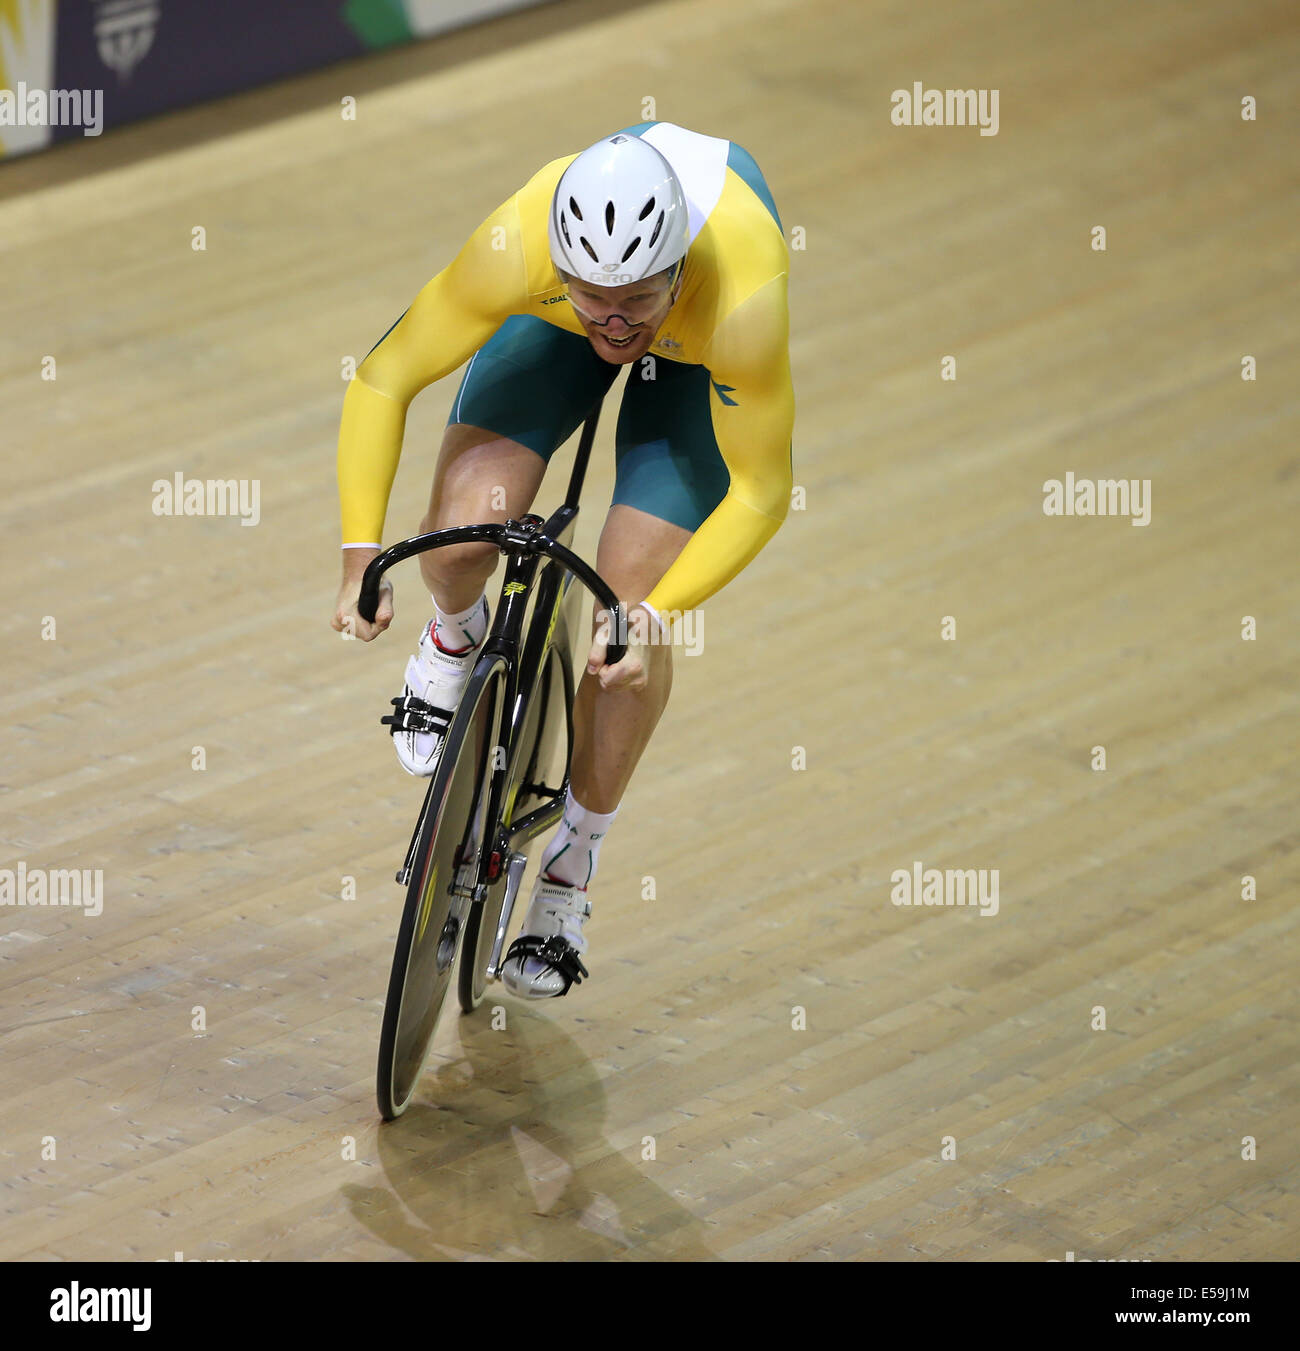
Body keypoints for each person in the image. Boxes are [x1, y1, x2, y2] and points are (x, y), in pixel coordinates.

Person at [332, 121, 794, 999]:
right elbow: (384, 376)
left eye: (635, 302)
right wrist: (361, 551)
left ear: (680, 270)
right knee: (464, 532)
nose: (614, 322)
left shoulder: (742, 296)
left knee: (627, 624)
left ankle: (569, 872)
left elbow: (765, 491)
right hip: (562, 318)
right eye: (590, 297)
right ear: (558, 265)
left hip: (695, 364)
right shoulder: (517, 246)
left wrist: (657, 612)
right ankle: (453, 637)